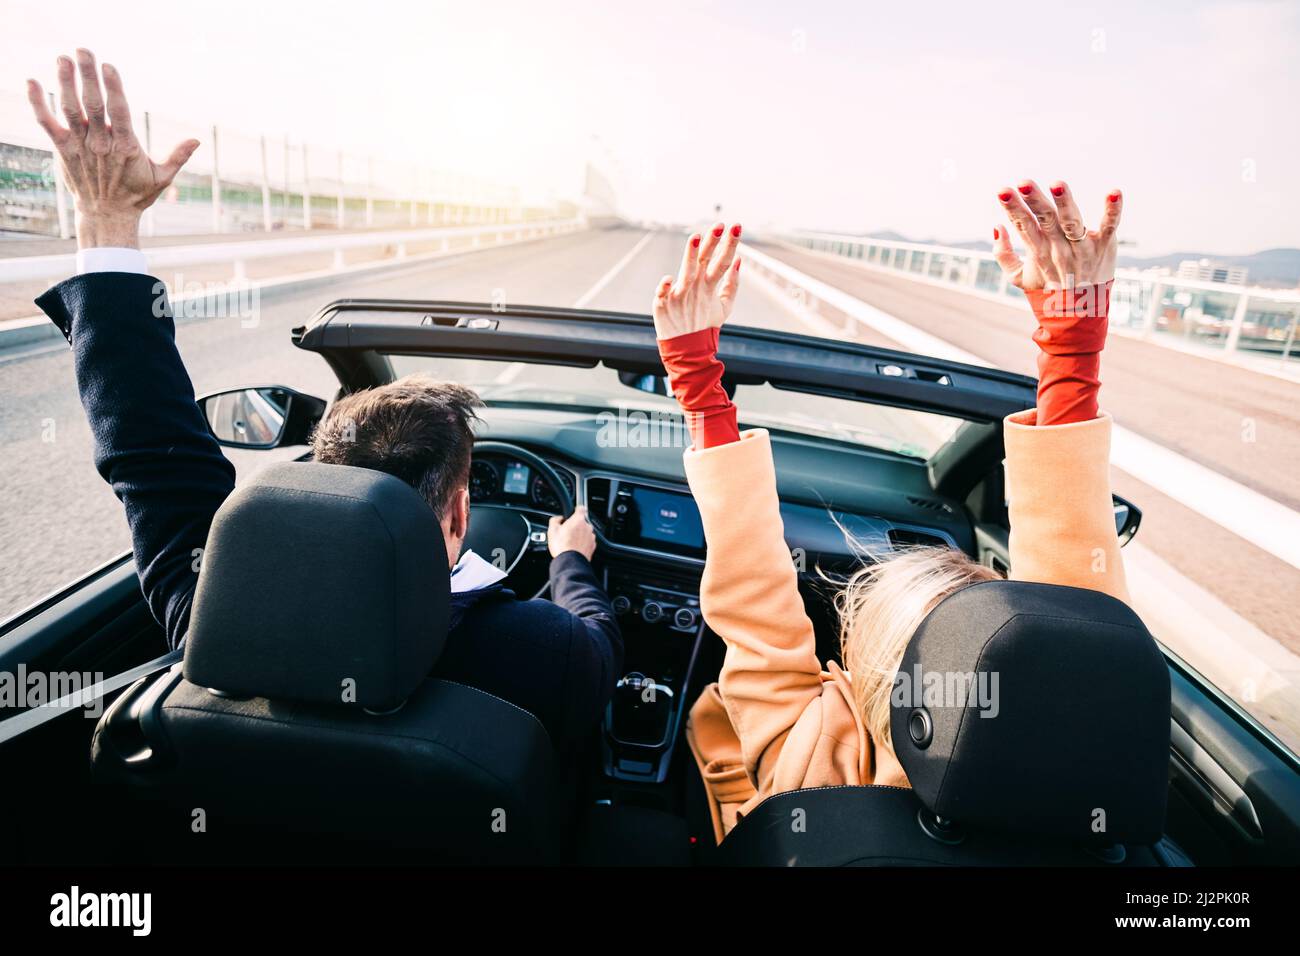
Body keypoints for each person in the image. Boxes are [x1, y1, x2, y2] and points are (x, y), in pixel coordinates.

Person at [26, 49, 621, 754]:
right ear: (460, 510)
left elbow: (148, 451)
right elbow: (600, 643)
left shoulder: (221, 612)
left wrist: (106, 219)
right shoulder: (543, 650)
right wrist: (570, 562)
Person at [652, 184, 1128, 842]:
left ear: (864, 669)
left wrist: (700, 384)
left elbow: (753, 594)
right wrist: (1072, 354)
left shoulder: (810, 759)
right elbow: (1080, 625)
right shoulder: (1073, 797)